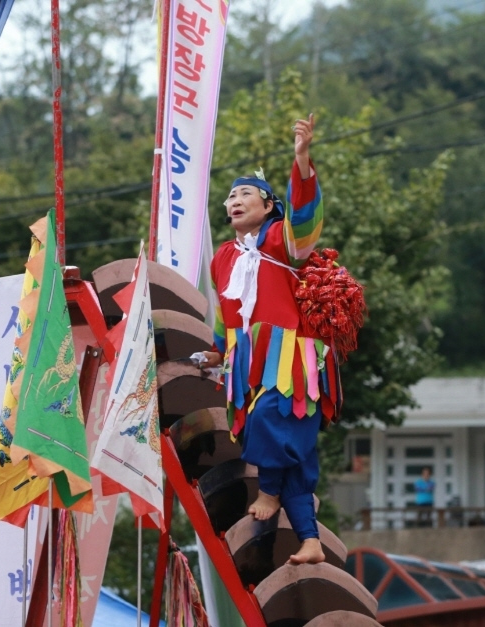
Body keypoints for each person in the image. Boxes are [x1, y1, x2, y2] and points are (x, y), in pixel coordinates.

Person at [201, 114, 341, 565]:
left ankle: (268, 489)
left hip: (292, 358)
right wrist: (219, 351)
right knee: (299, 462)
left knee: (269, 417)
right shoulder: (222, 258)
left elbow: (305, 217)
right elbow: (228, 315)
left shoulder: (282, 241)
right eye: (230, 196)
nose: (234, 200)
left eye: (245, 193)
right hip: (247, 363)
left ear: (267, 207)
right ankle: (311, 541)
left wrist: (301, 161)